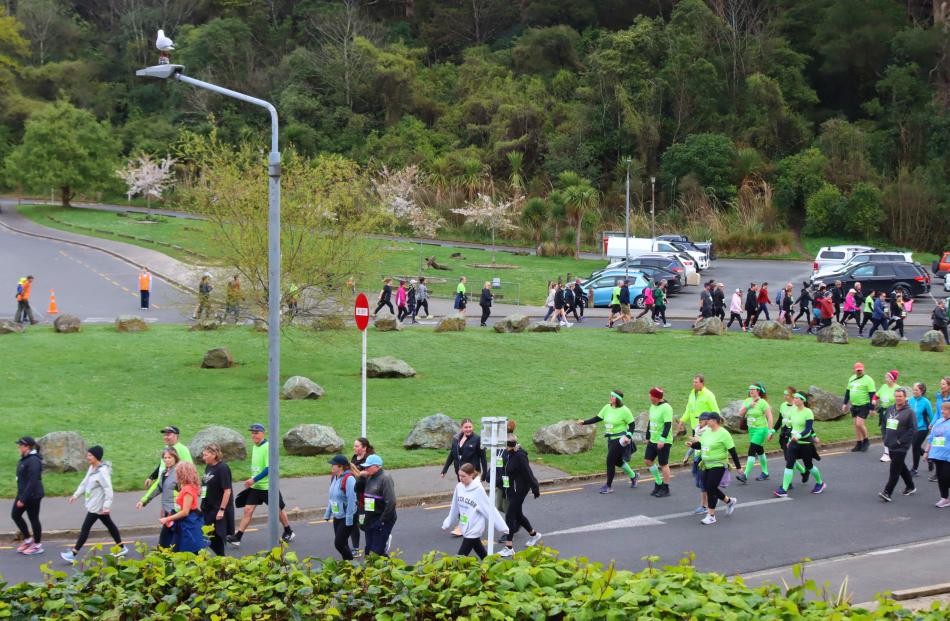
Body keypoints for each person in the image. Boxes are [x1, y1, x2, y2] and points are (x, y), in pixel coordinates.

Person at [227, 424, 295, 546]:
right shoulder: (255, 446)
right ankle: (237, 537)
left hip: (268, 487)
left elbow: (269, 468)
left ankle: (288, 531)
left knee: (278, 511)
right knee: (247, 510)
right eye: (252, 433)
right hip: (256, 487)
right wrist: (253, 480)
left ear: (263, 433)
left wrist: (254, 479)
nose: (254, 435)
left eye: (257, 433)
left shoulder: (268, 447)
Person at [61, 446, 127, 562]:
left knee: (85, 528)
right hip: (95, 504)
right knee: (110, 525)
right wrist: (76, 495)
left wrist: (106, 506)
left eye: (90, 455)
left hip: (98, 507)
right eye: (88, 455)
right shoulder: (92, 468)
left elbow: (108, 490)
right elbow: (84, 483)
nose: (87, 457)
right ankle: (122, 547)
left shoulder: (102, 472)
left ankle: (73, 553)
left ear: (96, 457)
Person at [577, 390, 639, 494]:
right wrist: (584, 422)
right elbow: (598, 418)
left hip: (620, 439)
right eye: (610, 396)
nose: (610, 398)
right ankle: (634, 476)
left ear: (618, 399)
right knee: (617, 461)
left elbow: (632, 425)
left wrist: (628, 436)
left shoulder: (625, 410)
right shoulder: (607, 407)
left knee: (610, 461)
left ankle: (608, 486)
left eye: (612, 397)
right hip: (610, 438)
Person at [442, 463, 509, 559]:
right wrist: (448, 521)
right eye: (459, 475)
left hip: (475, 528)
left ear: (471, 475)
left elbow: (489, 510)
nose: (461, 478)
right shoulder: (459, 487)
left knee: (459, 559)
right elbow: (455, 506)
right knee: (483, 555)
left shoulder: (478, 490)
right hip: (464, 525)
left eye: (463, 476)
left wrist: (503, 527)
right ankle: (494, 567)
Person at [687, 412, 741, 525]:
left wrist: (738, 467)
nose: (706, 421)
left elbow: (733, 451)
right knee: (708, 487)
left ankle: (711, 515)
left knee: (711, 489)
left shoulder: (724, 434)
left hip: (718, 464)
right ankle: (729, 501)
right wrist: (692, 445)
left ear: (715, 421)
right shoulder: (707, 432)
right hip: (706, 464)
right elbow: (702, 445)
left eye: (708, 420)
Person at [774, 393, 827, 497]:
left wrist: (799, 436)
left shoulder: (808, 412)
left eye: (797, 398)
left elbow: (808, 429)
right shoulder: (793, 411)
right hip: (794, 443)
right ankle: (784, 489)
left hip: (805, 443)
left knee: (809, 466)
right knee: (789, 464)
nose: (795, 399)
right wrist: (789, 439)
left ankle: (820, 483)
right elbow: (791, 427)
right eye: (794, 398)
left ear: (802, 400)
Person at [498, 433, 541, 557]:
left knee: (510, 516)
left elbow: (528, 473)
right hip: (510, 489)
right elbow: (503, 469)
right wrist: (497, 480)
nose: (505, 448)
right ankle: (534, 535)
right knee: (518, 514)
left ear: (511, 445)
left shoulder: (520, 456)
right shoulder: (506, 453)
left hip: (520, 489)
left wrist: (535, 488)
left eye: (506, 446)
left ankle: (509, 546)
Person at [135, 447, 180, 548]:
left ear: (175, 458)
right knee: (166, 543)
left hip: (176, 513)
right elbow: (157, 488)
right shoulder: (165, 473)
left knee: (170, 543)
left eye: (170, 457)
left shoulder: (179, 472)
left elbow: (186, 491)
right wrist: (143, 501)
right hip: (168, 513)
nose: (167, 460)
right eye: (165, 457)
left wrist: (178, 508)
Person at [159, 462, 207, 553]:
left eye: (177, 473)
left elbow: (185, 511)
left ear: (182, 474)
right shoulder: (189, 486)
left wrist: (167, 519)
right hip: (189, 520)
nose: (175, 475)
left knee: (187, 549)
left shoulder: (187, 489)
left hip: (188, 523)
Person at [879, 387, 917, 502]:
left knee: (894, 469)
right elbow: (884, 424)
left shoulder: (909, 412)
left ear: (905, 398)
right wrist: (885, 437)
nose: (898, 398)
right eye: (896, 396)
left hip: (901, 446)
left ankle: (887, 492)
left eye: (900, 396)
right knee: (901, 467)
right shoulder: (890, 409)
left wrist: (900, 441)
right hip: (890, 443)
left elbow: (913, 429)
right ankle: (911, 486)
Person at [735, 383, 774, 484]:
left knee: (752, 450)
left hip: (761, 429)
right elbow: (740, 413)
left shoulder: (763, 403)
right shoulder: (747, 401)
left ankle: (745, 475)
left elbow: (770, 417)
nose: (751, 391)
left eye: (753, 389)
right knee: (759, 450)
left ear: (758, 391)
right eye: (750, 389)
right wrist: (749, 406)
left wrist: (770, 431)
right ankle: (765, 472)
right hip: (752, 430)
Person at [359, 454, 396, 557]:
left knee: (375, 553)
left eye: (368, 466)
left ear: (377, 466)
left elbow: (391, 503)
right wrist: (360, 478)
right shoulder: (369, 477)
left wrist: (381, 521)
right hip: (371, 518)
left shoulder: (385, 478)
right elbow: (359, 493)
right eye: (365, 466)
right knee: (368, 551)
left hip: (383, 519)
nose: (365, 469)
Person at [200, 443, 234, 556]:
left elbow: (227, 490)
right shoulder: (208, 466)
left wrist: (222, 509)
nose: (203, 457)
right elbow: (206, 485)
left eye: (205, 455)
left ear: (214, 454)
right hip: (208, 506)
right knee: (207, 533)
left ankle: (222, 558)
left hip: (218, 508)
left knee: (216, 535)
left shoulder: (222, 468)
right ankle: (221, 558)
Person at [13, 437, 44, 556]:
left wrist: (23, 499)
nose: (18, 447)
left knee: (33, 519)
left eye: (20, 445)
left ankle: (37, 545)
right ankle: (27, 539)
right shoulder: (26, 458)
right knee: (15, 515)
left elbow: (33, 481)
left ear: (27, 447)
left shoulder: (33, 461)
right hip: (23, 494)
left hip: (33, 495)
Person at [144, 426, 193, 500]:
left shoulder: (182, 449)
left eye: (168, 434)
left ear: (176, 436)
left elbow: (190, 470)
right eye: (165, 435)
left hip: (177, 490)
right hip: (165, 486)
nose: (166, 437)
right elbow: (162, 465)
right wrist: (152, 477)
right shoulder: (167, 448)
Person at [325, 455, 357, 560]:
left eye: (333, 464)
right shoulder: (335, 477)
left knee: (338, 544)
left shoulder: (349, 479)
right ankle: (348, 567)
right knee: (343, 544)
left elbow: (352, 500)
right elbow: (332, 497)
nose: (331, 466)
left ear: (340, 466)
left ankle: (352, 564)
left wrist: (349, 519)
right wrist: (328, 513)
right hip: (337, 516)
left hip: (347, 516)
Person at [773, 387, 807, 486]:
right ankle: (803, 472)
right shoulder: (783, 405)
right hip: (784, 434)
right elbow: (780, 420)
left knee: (789, 459)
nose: (784, 396)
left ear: (793, 396)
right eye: (784, 394)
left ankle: (788, 483)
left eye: (787, 394)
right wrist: (773, 431)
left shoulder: (796, 408)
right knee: (789, 458)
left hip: (792, 435)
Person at [644, 387, 673, 497]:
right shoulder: (653, 406)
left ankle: (666, 488)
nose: (649, 397)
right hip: (653, 439)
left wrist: (662, 439)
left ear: (656, 397)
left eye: (650, 396)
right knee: (648, 460)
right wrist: (648, 436)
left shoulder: (666, 408)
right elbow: (650, 421)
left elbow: (667, 425)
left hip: (663, 441)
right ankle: (658, 482)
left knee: (663, 464)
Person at [842, 362, 876, 452]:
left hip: (864, 405)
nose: (859, 371)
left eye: (860, 370)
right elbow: (848, 392)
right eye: (857, 370)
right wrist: (845, 403)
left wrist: (872, 408)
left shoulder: (868, 380)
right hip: (854, 405)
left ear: (863, 369)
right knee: (856, 425)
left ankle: (866, 440)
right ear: (854, 370)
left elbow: (872, 394)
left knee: (859, 424)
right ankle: (858, 443)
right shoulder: (852, 378)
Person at [349, 437, 374, 556]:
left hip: (366, 496)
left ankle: (381, 538)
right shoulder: (354, 458)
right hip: (355, 495)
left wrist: (352, 469)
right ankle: (356, 548)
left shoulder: (368, 460)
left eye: (357, 446)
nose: (354, 448)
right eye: (354, 446)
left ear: (364, 448)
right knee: (354, 522)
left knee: (363, 523)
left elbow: (362, 476)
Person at [923, 401, 950, 508]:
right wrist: (926, 452)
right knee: (941, 477)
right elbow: (931, 438)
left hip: (948, 455)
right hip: (937, 454)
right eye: (942, 409)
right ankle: (944, 498)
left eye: (945, 409)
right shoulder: (938, 422)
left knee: (946, 476)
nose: (942, 411)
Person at [678, 374, 720, 441]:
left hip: (705, 427)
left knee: (704, 447)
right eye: (693, 382)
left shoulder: (709, 395)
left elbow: (716, 411)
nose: (694, 384)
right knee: (696, 447)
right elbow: (689, 409)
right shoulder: (692, 394)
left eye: (696, 382)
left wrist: (715, 425)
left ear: (702, 383)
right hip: (694, 427)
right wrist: (682, 420)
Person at [873, 371, 899, 463]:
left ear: (893, 379)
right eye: (885, 377)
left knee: (891, 432)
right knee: (884, 431)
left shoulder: (898, 389)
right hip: (883, 412)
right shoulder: (884, 387)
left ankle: (891, 452)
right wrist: (874, 400)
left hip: (893, 413)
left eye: (887, 377)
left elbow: (901, 401)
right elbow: (876, 395)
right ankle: (886, 452)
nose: (886, 379)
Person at [909, 382, 934, 476]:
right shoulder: (910, 400)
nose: (914, 391)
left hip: (923, 428)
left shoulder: (925, 402)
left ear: (922, 391)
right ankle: (930, 458)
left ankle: (914, 469)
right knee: (917, 447)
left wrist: (933, 426)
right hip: (912, 428)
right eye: (913, 390)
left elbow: (931, 416)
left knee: (915, 446)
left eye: (916, 390)